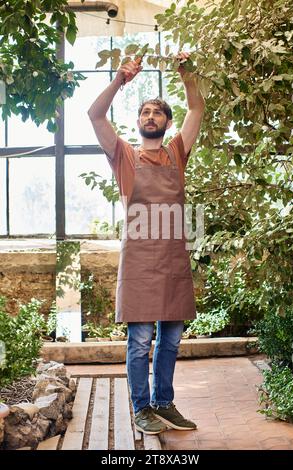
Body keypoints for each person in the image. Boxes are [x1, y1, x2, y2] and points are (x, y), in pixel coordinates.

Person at [88, 51, 205, 435]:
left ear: (167, 122)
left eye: (157, 113)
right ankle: (141, 408)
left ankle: (164, 404)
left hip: (172, 260)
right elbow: (94, 114)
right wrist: (120, 79)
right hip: (139, 261)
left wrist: (188, 75)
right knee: (140, 343)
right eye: (145, 112)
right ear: (138, 122)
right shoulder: (123, 155)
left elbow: (197, 110)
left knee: (170, 342)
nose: (150, 117)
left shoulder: (176, 153)